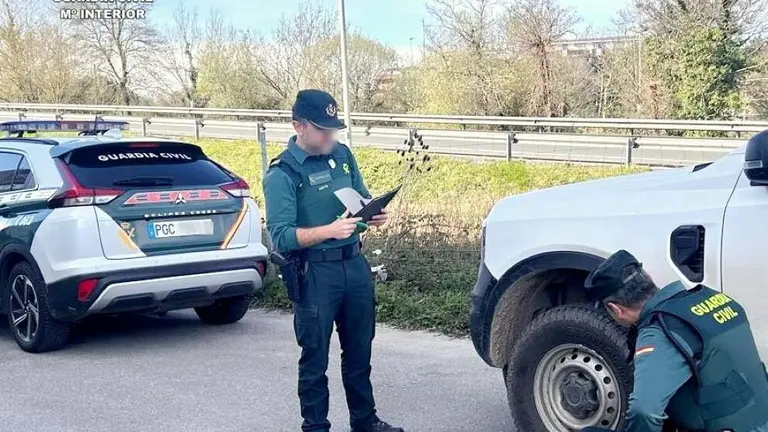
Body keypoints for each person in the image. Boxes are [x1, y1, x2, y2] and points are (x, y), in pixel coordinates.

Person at [263, 89, 404, 432]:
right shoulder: (282, 174)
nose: (331, 135)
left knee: (359, 352)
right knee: (314, 358)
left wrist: (371, 214)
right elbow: (280, 236)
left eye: (333, 127)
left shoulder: (342, 154)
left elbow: (360, 197)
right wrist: (328, 230)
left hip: (354, 265)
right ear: (299, 126)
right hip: (315, 272)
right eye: (322, 128)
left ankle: (364, 422)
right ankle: (315, 427)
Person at [581, 249, 768, 432]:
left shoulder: (659, 331)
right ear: (647, 278)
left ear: (616, 308)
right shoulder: (714, 298)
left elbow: (644, 411)